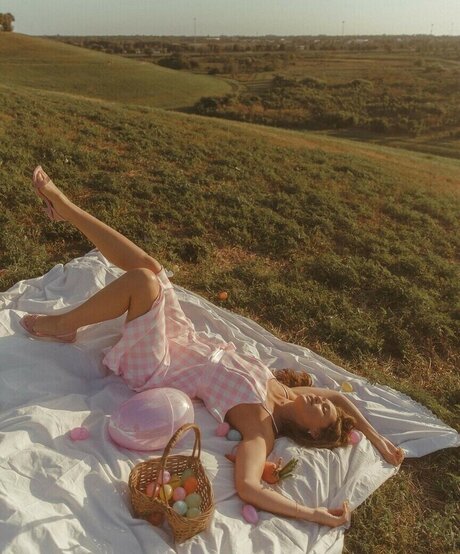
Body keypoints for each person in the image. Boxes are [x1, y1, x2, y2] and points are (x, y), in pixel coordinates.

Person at [20, 166, 404, 528]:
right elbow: (340, 398)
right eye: (325, 404)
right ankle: (68, 210)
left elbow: (249, 487)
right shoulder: (289, 393)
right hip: (184, 337)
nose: (323, 401)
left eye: (324, 414)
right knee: (151, 267)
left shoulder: (262, 427)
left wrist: (316, 514)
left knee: (143, 282)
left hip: (159, 365)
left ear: (312, 433)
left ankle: (63, 325)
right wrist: (377, 438)